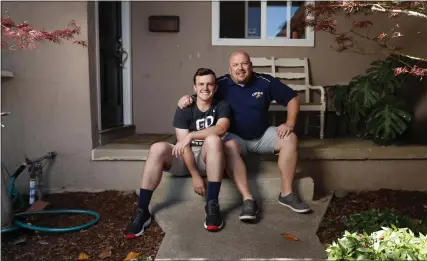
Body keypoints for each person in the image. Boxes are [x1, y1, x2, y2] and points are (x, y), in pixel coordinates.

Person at [178, 51, 311, 219]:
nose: (240, 68)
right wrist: (186, 99)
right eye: (235, 65)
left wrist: (290, 123)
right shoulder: (221, 84)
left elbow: (292, 98)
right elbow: (204, 92)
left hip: (262, 135)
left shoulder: (265, 82)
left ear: (251, 65)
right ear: (230, 68)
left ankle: (286, 193)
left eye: (244, 63)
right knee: (227, 145)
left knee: (290, 138)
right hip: (234, 138)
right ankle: (248, 200)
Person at [125, 68, 231, 238]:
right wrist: (195, 175)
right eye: (201, 84)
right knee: (157, 148)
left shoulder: (222, 105)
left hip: (209, 158)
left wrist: (192, 135)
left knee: (213, 139)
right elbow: (183, 146)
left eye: (210, 84)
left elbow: (221, 128)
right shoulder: (185, 106)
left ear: (216, 87)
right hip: (185, 159)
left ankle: (212, 206)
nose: (205, 88)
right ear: (194, 88)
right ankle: (142, 211)